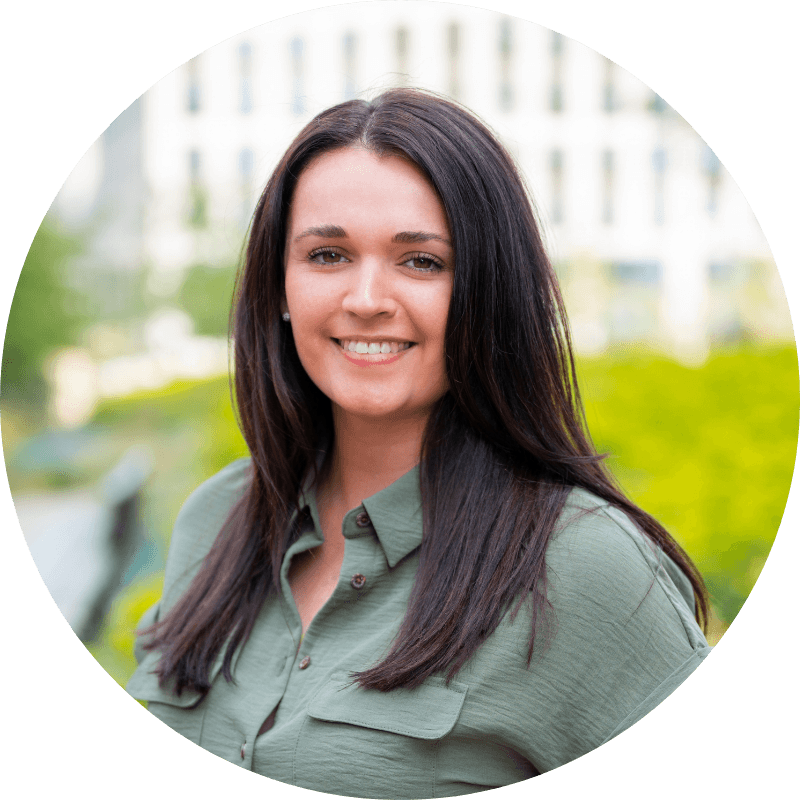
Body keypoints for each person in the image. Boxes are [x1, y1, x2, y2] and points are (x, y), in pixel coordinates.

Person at [127, 88, 711, 798]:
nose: (367, 297)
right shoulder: (216, 517)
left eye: (422, 262)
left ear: (489, 291)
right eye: (328, 254)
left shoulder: (585, 568)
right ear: (280, 287)